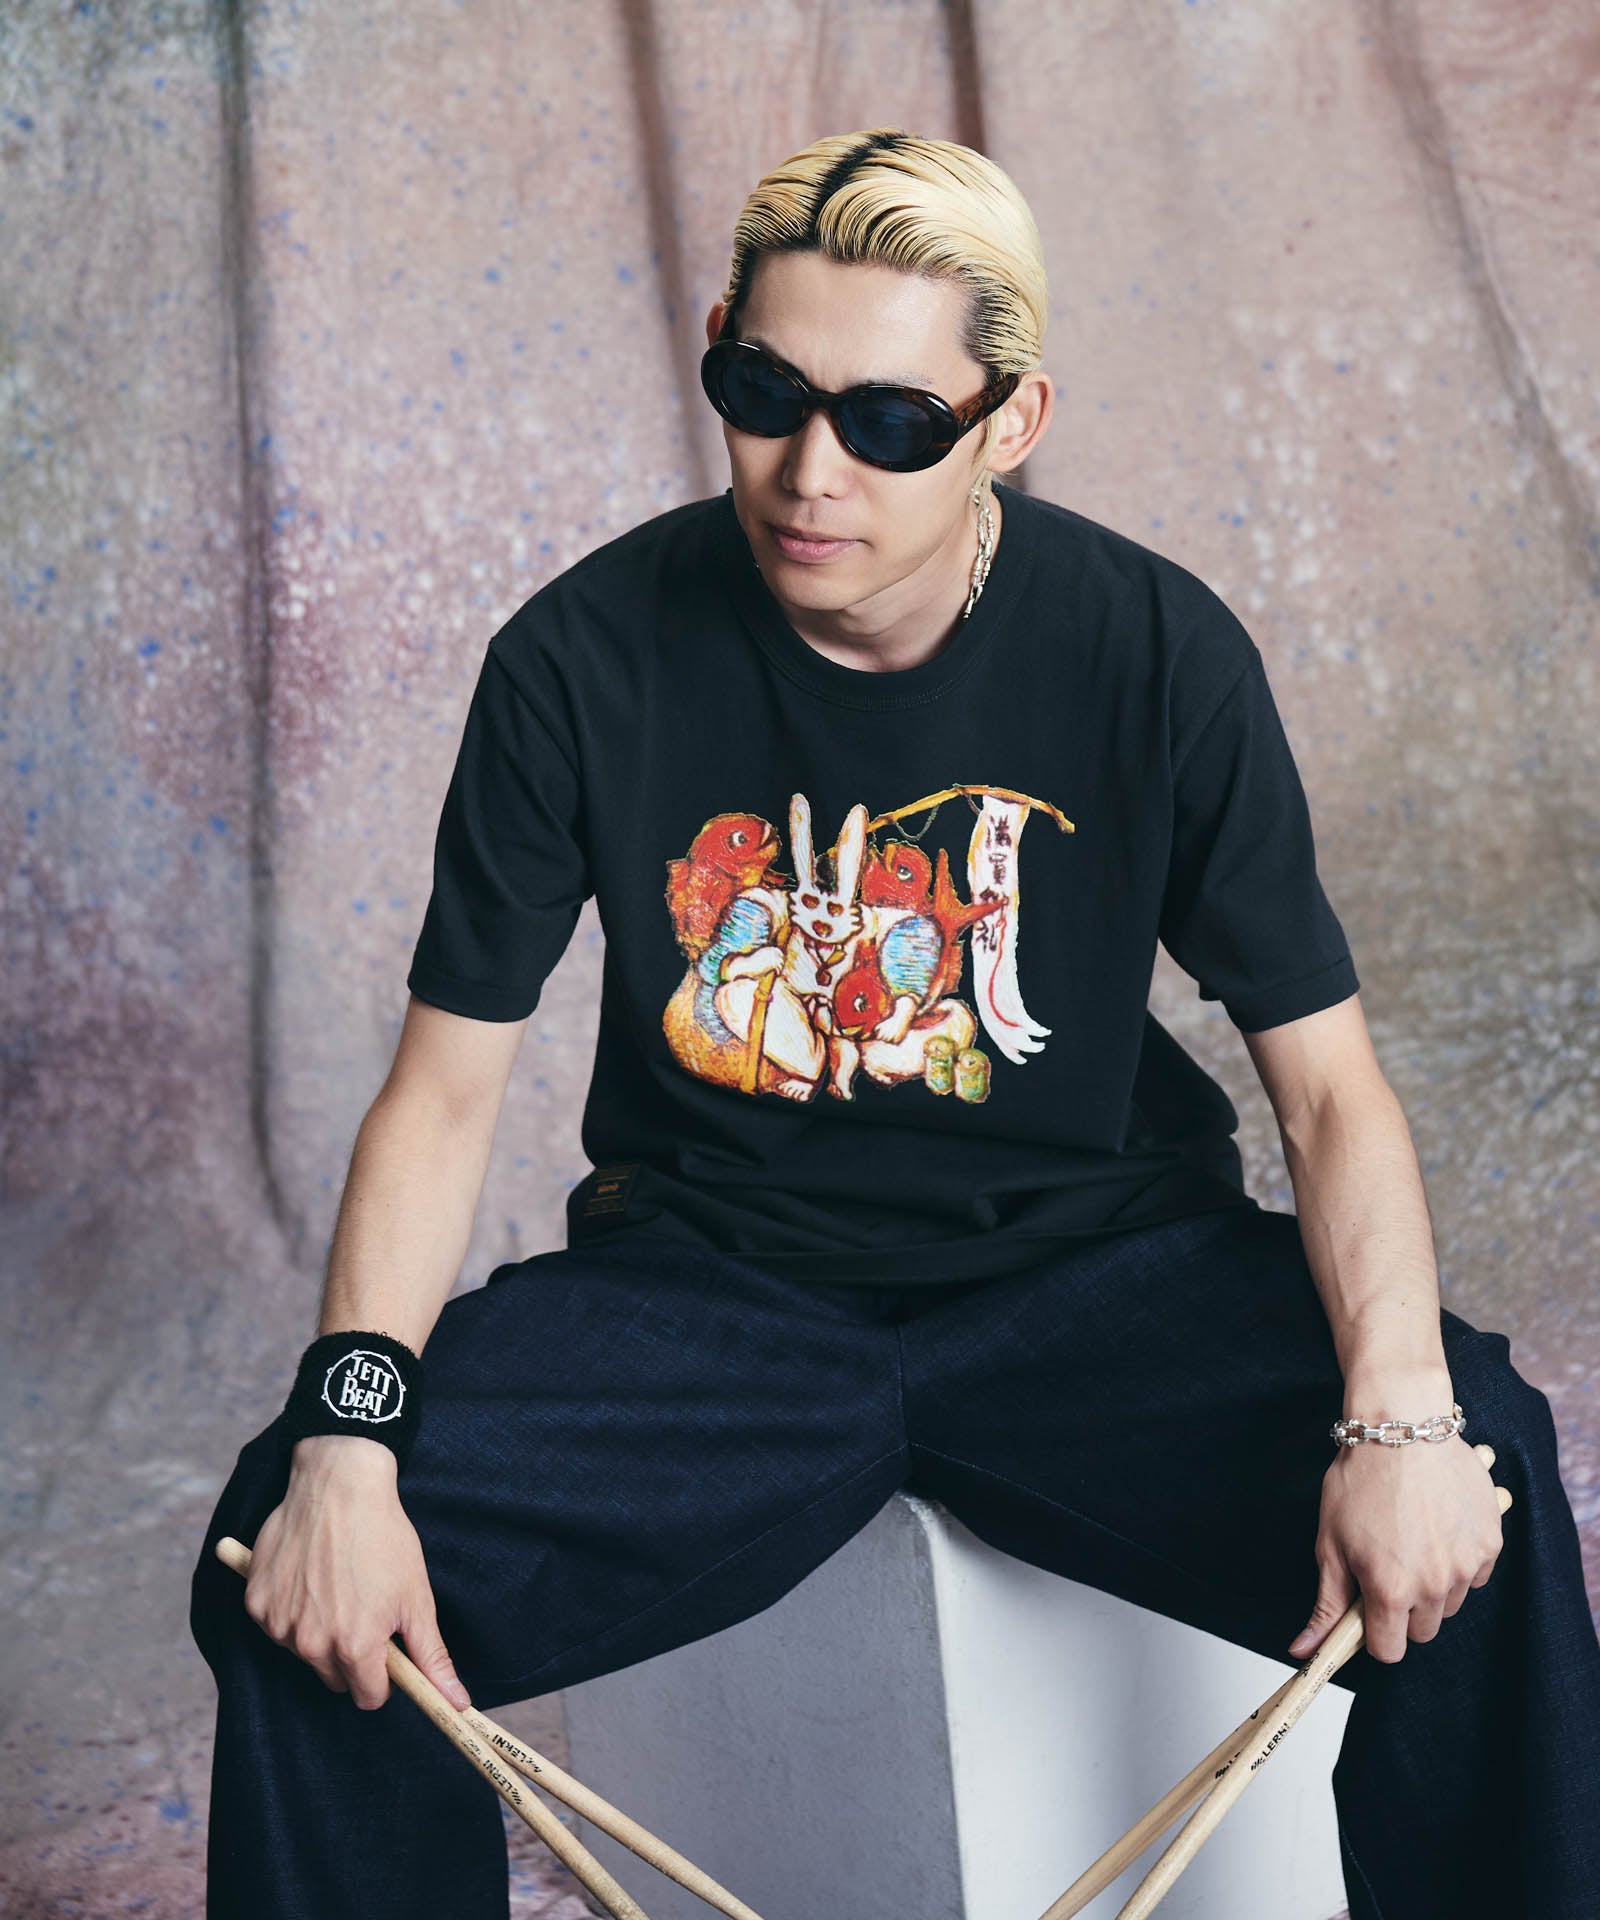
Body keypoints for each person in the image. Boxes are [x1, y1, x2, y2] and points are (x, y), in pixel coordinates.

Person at [189, 127, 1600, 1919]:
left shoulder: (1158, 652)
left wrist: (1397, 1425)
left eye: (891, 421)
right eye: (764, 395)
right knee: (298, 1551)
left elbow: (1328, 1094)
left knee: (1482, 1458)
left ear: (1011, 421)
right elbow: (443, 1096)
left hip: (1095, 1285)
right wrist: (346, 1438)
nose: (811, 471)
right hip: (718, 1299)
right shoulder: (578, 658)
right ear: (716, 349)